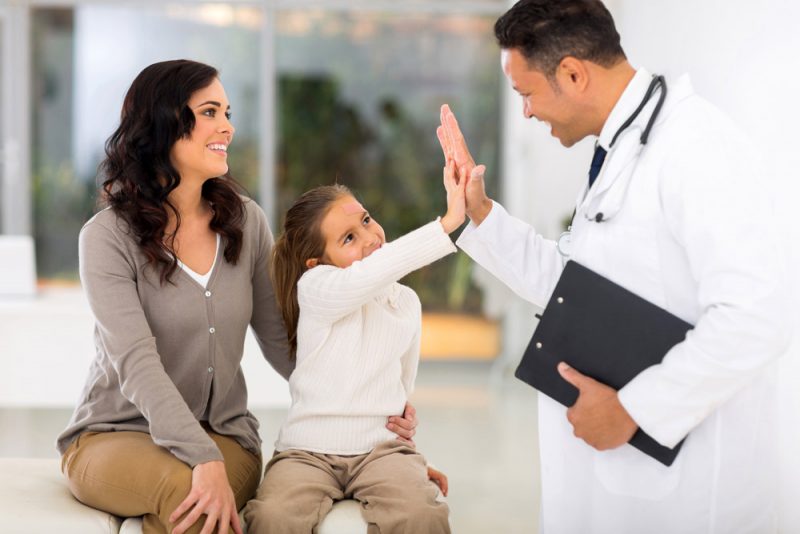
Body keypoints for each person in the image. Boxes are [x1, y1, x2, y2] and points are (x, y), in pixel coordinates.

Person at [436, 0, 791, 532]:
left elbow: (759, 314)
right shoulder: (624, 149)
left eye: (527, 93)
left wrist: (635, 410)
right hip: (621, 486)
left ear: (574, 73)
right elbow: (572, 286)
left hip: (690, 499)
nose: (527, 113)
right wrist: (480, 213)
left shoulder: (697, 148)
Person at [56, 59, 418, 534]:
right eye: (210, 112)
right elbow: (137, 364)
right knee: (190, 495)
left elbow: (286, 343)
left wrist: (375, 426)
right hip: (115, 434)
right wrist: (200, 458)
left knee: (198, 508)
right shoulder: (106, 238)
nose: (226, 126)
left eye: (227, 112)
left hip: (226, 435)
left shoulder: (246, 222)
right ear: (164, 123)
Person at [243, 172, 475, 533]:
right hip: (307, 453)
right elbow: (364, 277)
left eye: (366, 220)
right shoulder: (316, 287)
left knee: (423, 515)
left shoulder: (406, 302)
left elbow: (402, 381)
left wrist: (406, 445)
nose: (370, 238)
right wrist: (447, 224)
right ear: (316, 262)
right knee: (273, 517)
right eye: (349, 238)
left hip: (381, 451)